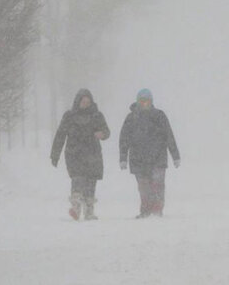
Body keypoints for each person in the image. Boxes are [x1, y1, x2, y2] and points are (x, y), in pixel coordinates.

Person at [119, 88, 180, 218]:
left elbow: (169, 135)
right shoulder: (131, 118)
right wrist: (123, 157)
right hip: (138, 159)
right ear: (138, 102)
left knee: (158, 185)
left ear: (151, 101)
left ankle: (157, 209)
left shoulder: (159, 116)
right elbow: (124, 139)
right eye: (142, 101)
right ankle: (145, 210)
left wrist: (175, 156)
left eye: (147, 101)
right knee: (144, 187)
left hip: (158, 158)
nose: (144, 103)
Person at [51, 89, 110, 221]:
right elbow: (60, 135)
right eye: (83, 102)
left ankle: (89, 210)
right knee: (77, 179)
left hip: (92, 152)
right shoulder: (69, 116)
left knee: (91, 181)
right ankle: (76, 207)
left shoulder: (97, 116)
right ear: (78, 101)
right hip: (74, 153)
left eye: (88, 102)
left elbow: (106, 131)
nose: (85, 104)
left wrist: (103, 134)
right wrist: (55, 154)